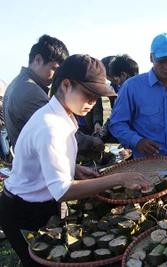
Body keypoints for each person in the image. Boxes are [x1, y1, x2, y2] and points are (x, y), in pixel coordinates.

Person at [0, 54, 149, 267]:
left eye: (97, 96)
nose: (93, 102)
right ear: (66, 85)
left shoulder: (64, 116)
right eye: (88, 94)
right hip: (24, 213)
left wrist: (74, 168)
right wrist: (118, 178)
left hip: (41, 205)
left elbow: (44, 160)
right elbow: (62, 190)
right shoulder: (50, 126)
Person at [3, 34, 104, 154]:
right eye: (55, 69)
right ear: (38, 60)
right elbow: (58, 133)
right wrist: (92, 142)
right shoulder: (31, 91)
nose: (56, 75)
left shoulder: (17, 83)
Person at [109, 33, 167, 159]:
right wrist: (137, 141)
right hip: (147, 165)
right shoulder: (132, 87)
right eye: (162, 61)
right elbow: (117, 123)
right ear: (151, 58)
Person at [0, 79, 10, 161]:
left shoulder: (0, 102)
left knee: (3, 147)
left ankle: (7, 162)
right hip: (5, 125)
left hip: (2, 126)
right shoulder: (5, 100)